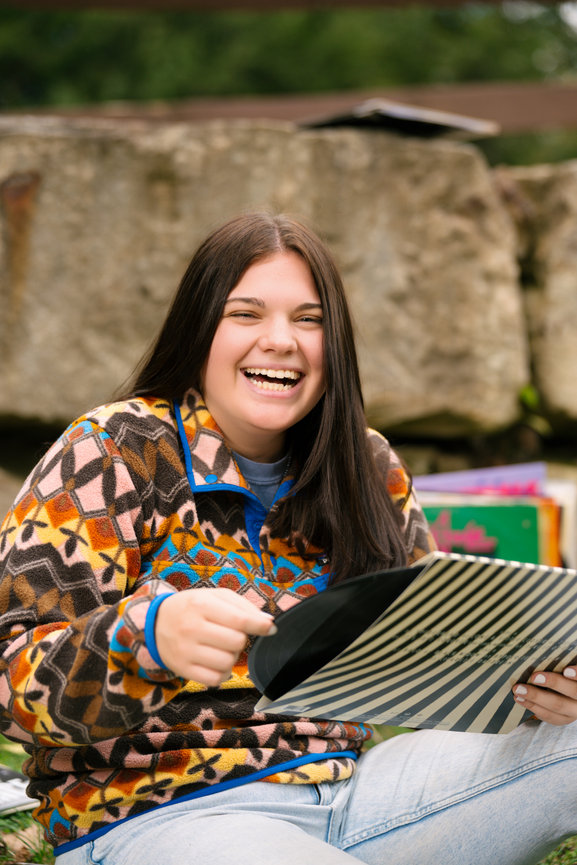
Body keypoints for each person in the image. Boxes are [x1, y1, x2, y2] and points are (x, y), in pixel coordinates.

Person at [0, 212, 576, 865]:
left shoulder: (367, 466)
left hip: (356, 793)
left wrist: (535, 686)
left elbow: (437, 663)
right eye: (246, 313)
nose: (281, 340)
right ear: (198, 331)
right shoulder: (112, 451)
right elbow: (10, 688)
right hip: (161, 813)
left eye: (308, 319)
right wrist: (144, 639)